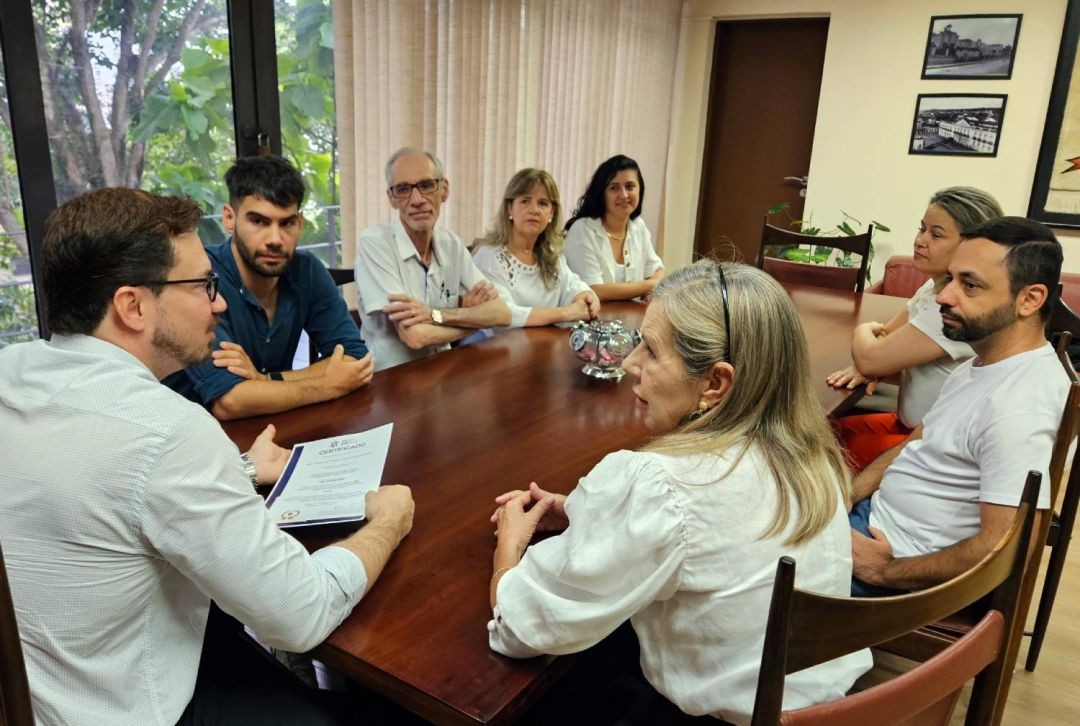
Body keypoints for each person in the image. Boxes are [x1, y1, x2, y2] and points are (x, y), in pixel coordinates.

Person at [0, 188, 415, 725]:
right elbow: (301, 614)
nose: (219, 303)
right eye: (202, 285)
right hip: (138, 704)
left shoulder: (13, 372)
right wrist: (387, 521)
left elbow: (98, 483)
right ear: (132, 306)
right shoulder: (167, 429)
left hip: (43, 689)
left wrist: (242, 470)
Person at [487, 260, 870, 724]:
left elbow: (523, 629)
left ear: (715, 382)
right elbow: (716, 534)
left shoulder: (664, 483)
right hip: (821, 705)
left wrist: (509, 547)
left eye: (651, 350)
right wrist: (586, 513)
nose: (630, 363)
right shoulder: (814, 457)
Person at [849, 217, 1066, 596]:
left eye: (970, 285)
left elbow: (1008, 544)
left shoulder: (1020, 404)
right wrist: (849, 494)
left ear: (1030, 299)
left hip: (902, 568)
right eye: (950, 279)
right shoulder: (980, 363)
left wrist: (883, 570)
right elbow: (916, 444)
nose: (944, 296)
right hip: (873, 524)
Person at [165, 155, 373, 420]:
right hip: (189, 432)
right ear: (229, 218)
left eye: (286, 223)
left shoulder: (307, 270)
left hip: (275, 426)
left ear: (299, 223)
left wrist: (265, 381)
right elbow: (230, 401)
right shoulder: (200, 278)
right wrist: (326, 384)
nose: (275, 239)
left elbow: (355, 359)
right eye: (258, 221)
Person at [827, 187, 1003, 472]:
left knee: (824, 451)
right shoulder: (933, 287)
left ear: (970, 246)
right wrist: (874, 360)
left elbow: (872, 356)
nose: (920, 241)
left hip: (931, 444)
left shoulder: (956, 307)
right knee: (829, 434)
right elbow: (887, 338)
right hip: (909, 425)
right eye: (922, 229)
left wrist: (863, 333)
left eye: (936, 234)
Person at [355, 148, 511, 371]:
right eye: (403, 189)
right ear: (392, 198)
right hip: (390, 378)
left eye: (427, 185)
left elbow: (502, 313)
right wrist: (473, 321)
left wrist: (433, 315)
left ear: (444, 190)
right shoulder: (375, 243)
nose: (417, 200)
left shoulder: (451, 243)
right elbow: (416, 336)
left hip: (442, 370)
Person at [472, 168, 600, 327]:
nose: (534, 210)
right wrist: (567, 313)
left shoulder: (551, 253)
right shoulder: (488, 256)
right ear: (509, 208)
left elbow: (573, 286)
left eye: (543, 203)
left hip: (546, 340)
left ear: (551, 213)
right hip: (500, 342)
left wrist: (586, 297)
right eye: (525, 201)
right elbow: (505, 315)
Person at [564, 154, 664, 301]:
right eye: (614, 188)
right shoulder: (582, 230)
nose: (624, 195)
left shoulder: (638, 226)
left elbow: (657, 270)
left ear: (640, 190)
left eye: (629, 187)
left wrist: (652, 284)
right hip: (591, 315)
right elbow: (594, 290)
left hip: (633, 314)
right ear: (602, 194)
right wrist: (649, 286)